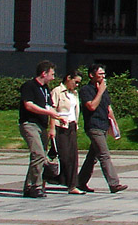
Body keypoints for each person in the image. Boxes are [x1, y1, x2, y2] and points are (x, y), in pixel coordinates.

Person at [76, 64, 127, 194]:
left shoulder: (104, 90)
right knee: (104, 155)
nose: (103, 77)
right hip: (94, 126)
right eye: (100, 74)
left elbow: (108, 108)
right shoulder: (86, 90)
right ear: (91, 75)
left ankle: (80, 182)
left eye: (104, 74)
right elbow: (91, 106)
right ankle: (114, 183)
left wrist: (114, 126)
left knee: (92, 157)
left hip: (104, 125)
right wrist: (100, 91)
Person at [16, 61, 62, 198]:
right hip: (30, 124)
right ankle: (36, 186)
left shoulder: (46, 88)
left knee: (38, 156)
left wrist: (57, 118)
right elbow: (29, 105)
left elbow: (49, 107)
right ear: (44, 73)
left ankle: (29, 187)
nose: (53, 78)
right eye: (52, 74)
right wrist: (49, 113)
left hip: (42, 126)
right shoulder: (29, 86)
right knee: (38, 155)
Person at [49, 69, 85, 195]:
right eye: (75, 82)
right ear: (68, 78)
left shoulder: (74, 93)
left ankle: (71, 184)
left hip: (72, 125)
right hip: (60, 126)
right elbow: (52, 110)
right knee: (64, 156)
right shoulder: (57, 91)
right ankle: (52, 177)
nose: (77, 85)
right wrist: (52, 128)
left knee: (73, 156)